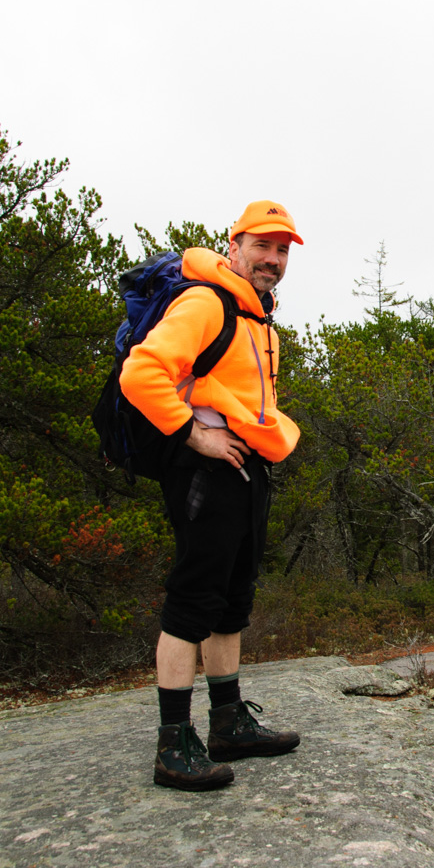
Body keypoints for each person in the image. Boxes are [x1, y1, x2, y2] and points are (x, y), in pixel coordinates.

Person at [119, 200, 304, 791]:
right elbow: (141, 373)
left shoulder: (256, 315)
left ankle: (227, 722)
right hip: (205, 470)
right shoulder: (206, 301)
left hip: (246, 468)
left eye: (281, 251)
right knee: (194, 599)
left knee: (231, 598)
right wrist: (191, 432)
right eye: (262, 246)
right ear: (234, 245)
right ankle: (173, 745)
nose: (272, 260)